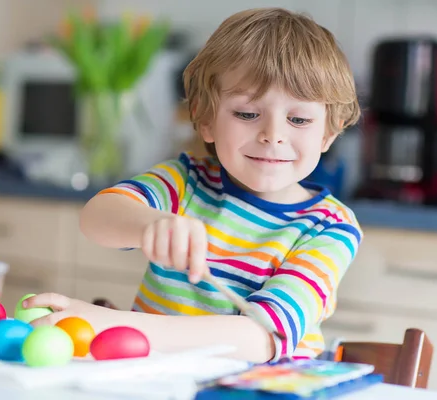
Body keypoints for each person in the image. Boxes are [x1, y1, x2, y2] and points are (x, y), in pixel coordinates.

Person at [22, 7, 362, 364]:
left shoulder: (330, 228)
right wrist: (151, 224)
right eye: (248, 114)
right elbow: (96, 218)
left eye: (299, 119)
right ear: (205, 118)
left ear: (329, 131)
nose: (273, 136)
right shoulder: (184, 182)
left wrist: (115, 324)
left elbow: (262, 339)